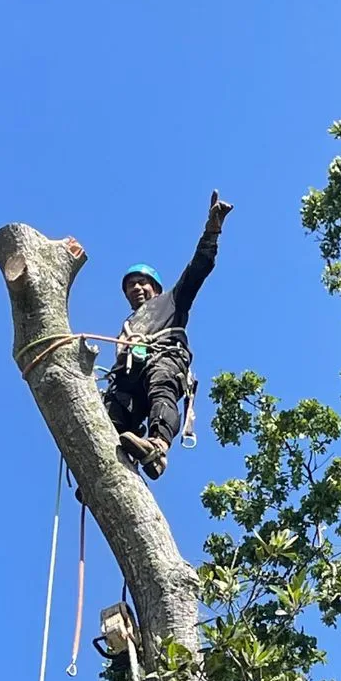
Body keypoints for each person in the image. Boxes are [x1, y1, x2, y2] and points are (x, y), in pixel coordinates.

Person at [104, 189, 233, 480]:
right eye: (131, 286)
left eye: (142, 283)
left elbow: (198, 270)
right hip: (127, 375)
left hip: (163, 356)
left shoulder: (172, 301)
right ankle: (101, 468)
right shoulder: (127, 327)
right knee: (112, 412)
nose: (136, 288)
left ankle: (158, 448)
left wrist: (211, 232)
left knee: (161, 384)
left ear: (156, 288)